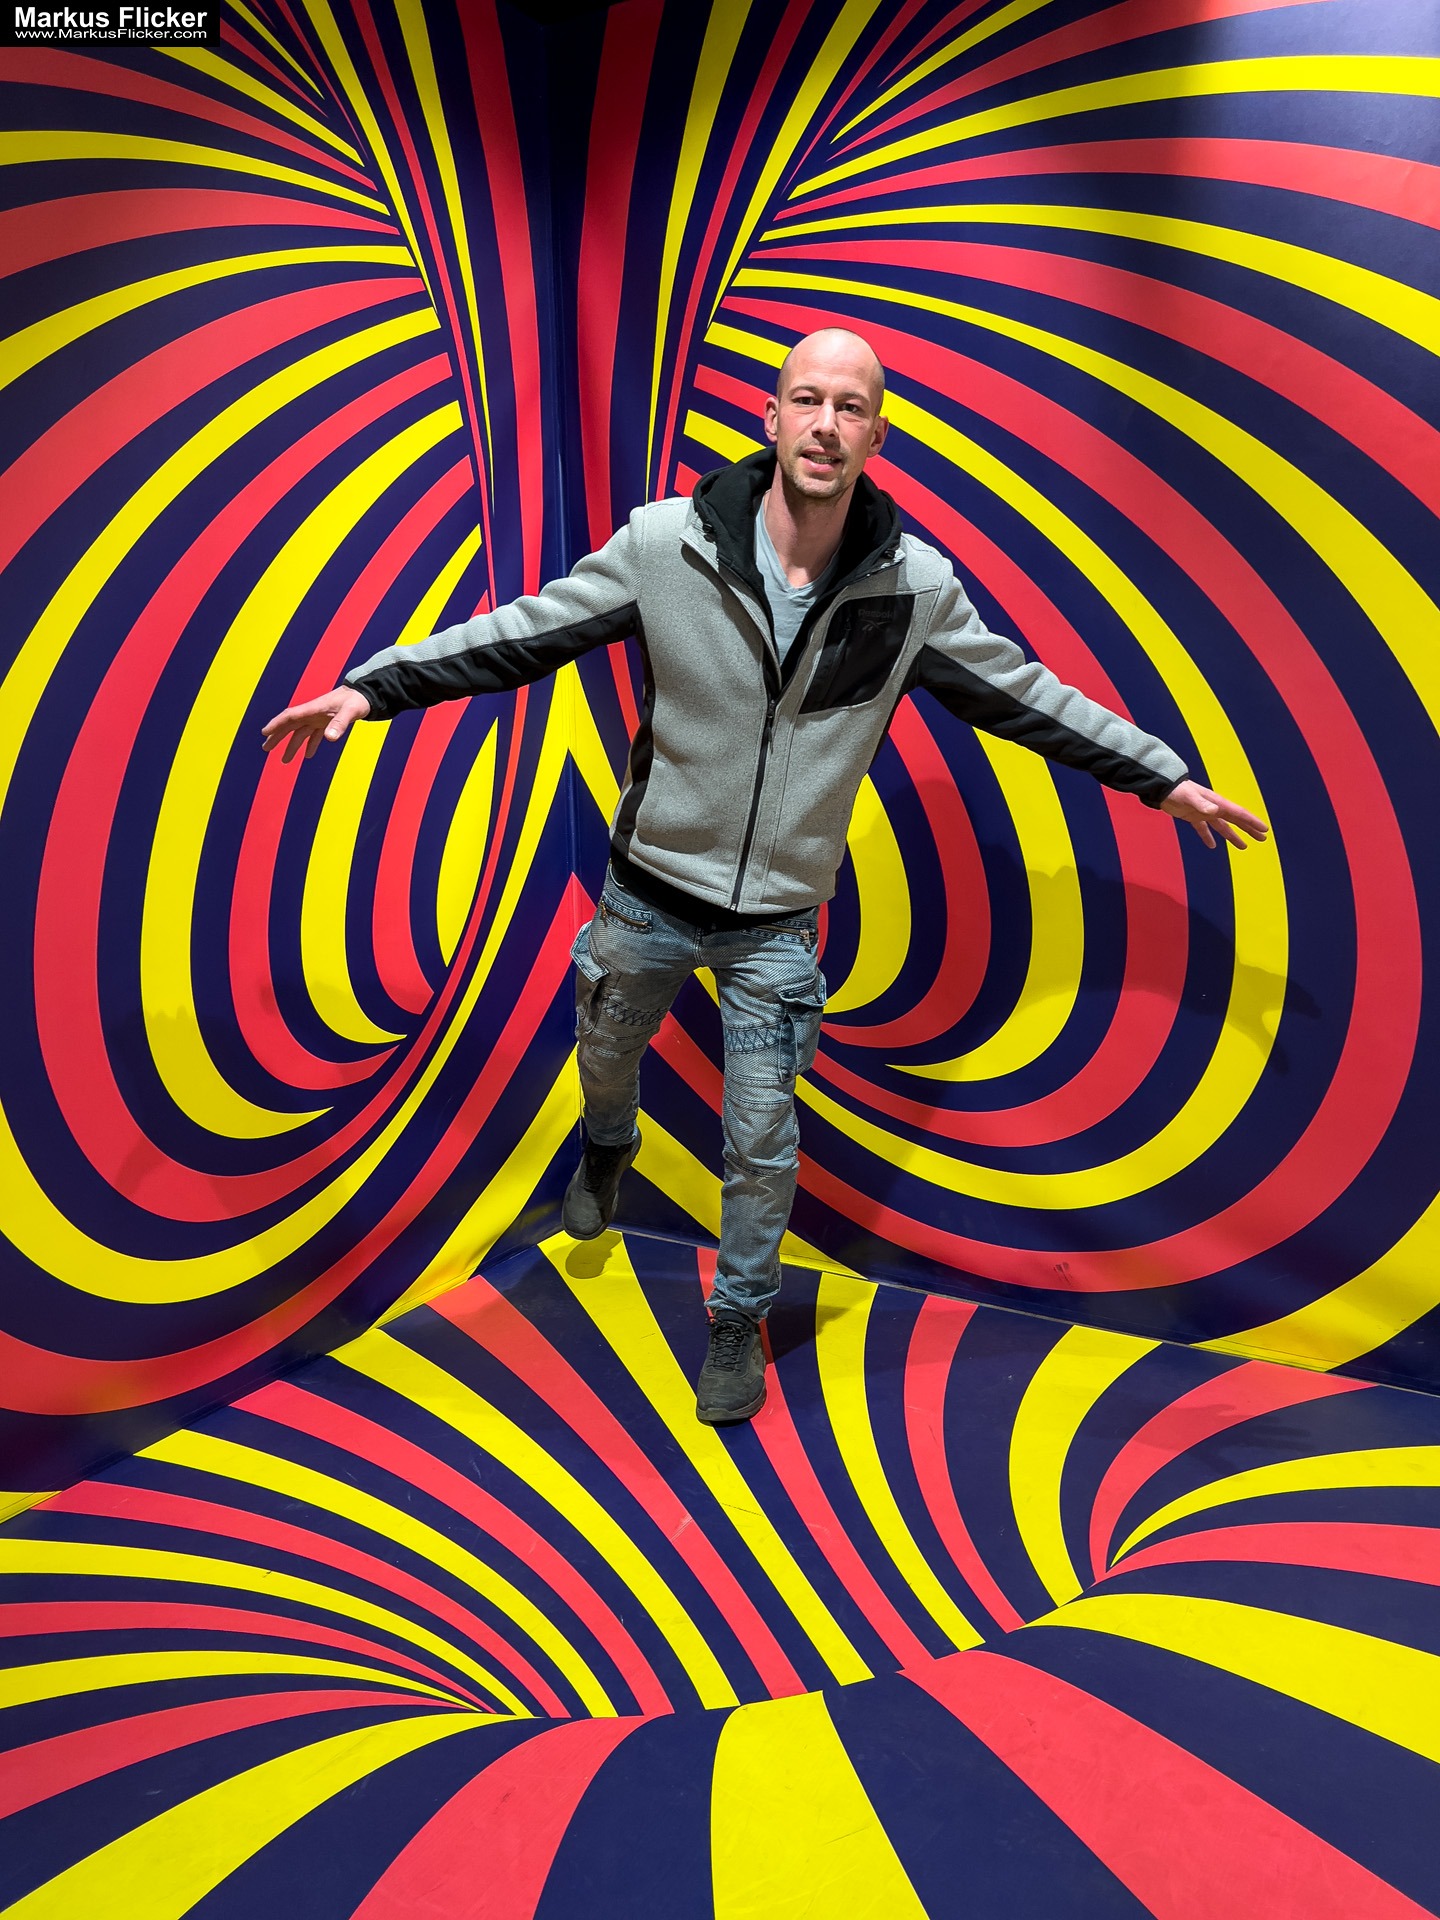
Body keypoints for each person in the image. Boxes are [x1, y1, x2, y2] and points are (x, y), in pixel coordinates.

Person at [262, 328, 1268, 1426]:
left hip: (778, 928)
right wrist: (372, 688)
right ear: (774, 417)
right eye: (809, 400)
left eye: (851, 407)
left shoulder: (914, 589)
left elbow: (1028, 695)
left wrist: (1163, 780)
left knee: (762, 1142)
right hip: (647, 895)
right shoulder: (665, 547)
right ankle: (608, 1142)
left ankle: (736, 1317)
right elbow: (523, 633)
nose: (827, 425)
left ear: (876, 435)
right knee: (605, 1058)